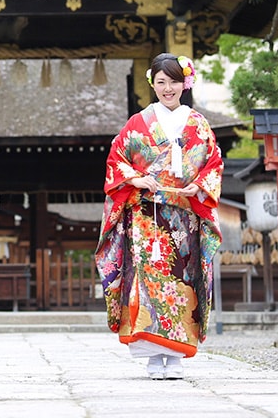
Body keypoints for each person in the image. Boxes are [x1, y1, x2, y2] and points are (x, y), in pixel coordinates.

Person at [94, 52, 223, 380]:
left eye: (174, 82)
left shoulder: (197, 123)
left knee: (183, 281)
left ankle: (177, 354)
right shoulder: (137, 123)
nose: (168, 89)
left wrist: (199, 185)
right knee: (149, 282)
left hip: (184, 215)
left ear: (185, 83)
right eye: (161, 82)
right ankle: (152, 355)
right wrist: (135, 179)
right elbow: (116, 159)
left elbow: (213, 162)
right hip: (145, 217)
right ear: (153, 84)